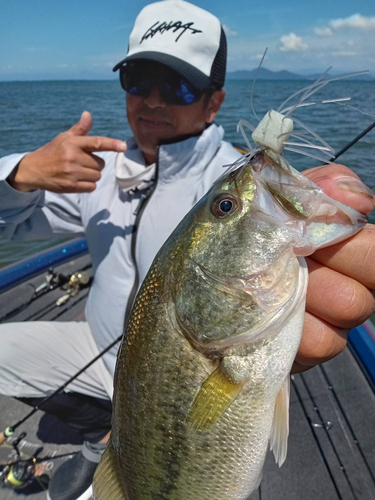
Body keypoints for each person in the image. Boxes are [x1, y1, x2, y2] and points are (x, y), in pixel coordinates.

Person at [0, 1, 374, 499]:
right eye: (138, 79)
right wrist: (19, 174)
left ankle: (124, 434)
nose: (152, 101)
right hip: (104, 361)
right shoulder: (96, 175)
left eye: (176, 86)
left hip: (178, 382)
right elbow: (12, 223)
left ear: (213, 102)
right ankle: (108, 422)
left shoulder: (231, 174)